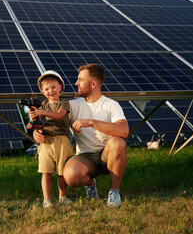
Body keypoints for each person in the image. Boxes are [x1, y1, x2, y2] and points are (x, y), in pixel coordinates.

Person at [33, 64, 129, 208]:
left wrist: (91, 122)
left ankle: (114, 191)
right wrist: (36, 132)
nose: (76, 83)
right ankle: (90, 184)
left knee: (118, 142)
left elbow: (123, 130)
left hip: (107, 156)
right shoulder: (71, 106)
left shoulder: (111, 105)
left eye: (80, 80)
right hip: (86, 157)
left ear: (93, 84)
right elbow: (52, 120)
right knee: (70, 176)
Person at [29, 70, 74, 208]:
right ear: (43, 92)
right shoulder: (41, 107)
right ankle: (46, 199)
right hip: (46, 142)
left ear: (60, 87)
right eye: (47, 89)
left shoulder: (64, 103)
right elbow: (34, 124)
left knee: (61, 172)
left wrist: (42, 112)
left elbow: (59, 115)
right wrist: (34, 123)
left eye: (53, 87)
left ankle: (62, 197)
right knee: (46, 171)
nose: (51, 91)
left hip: (62, 141)